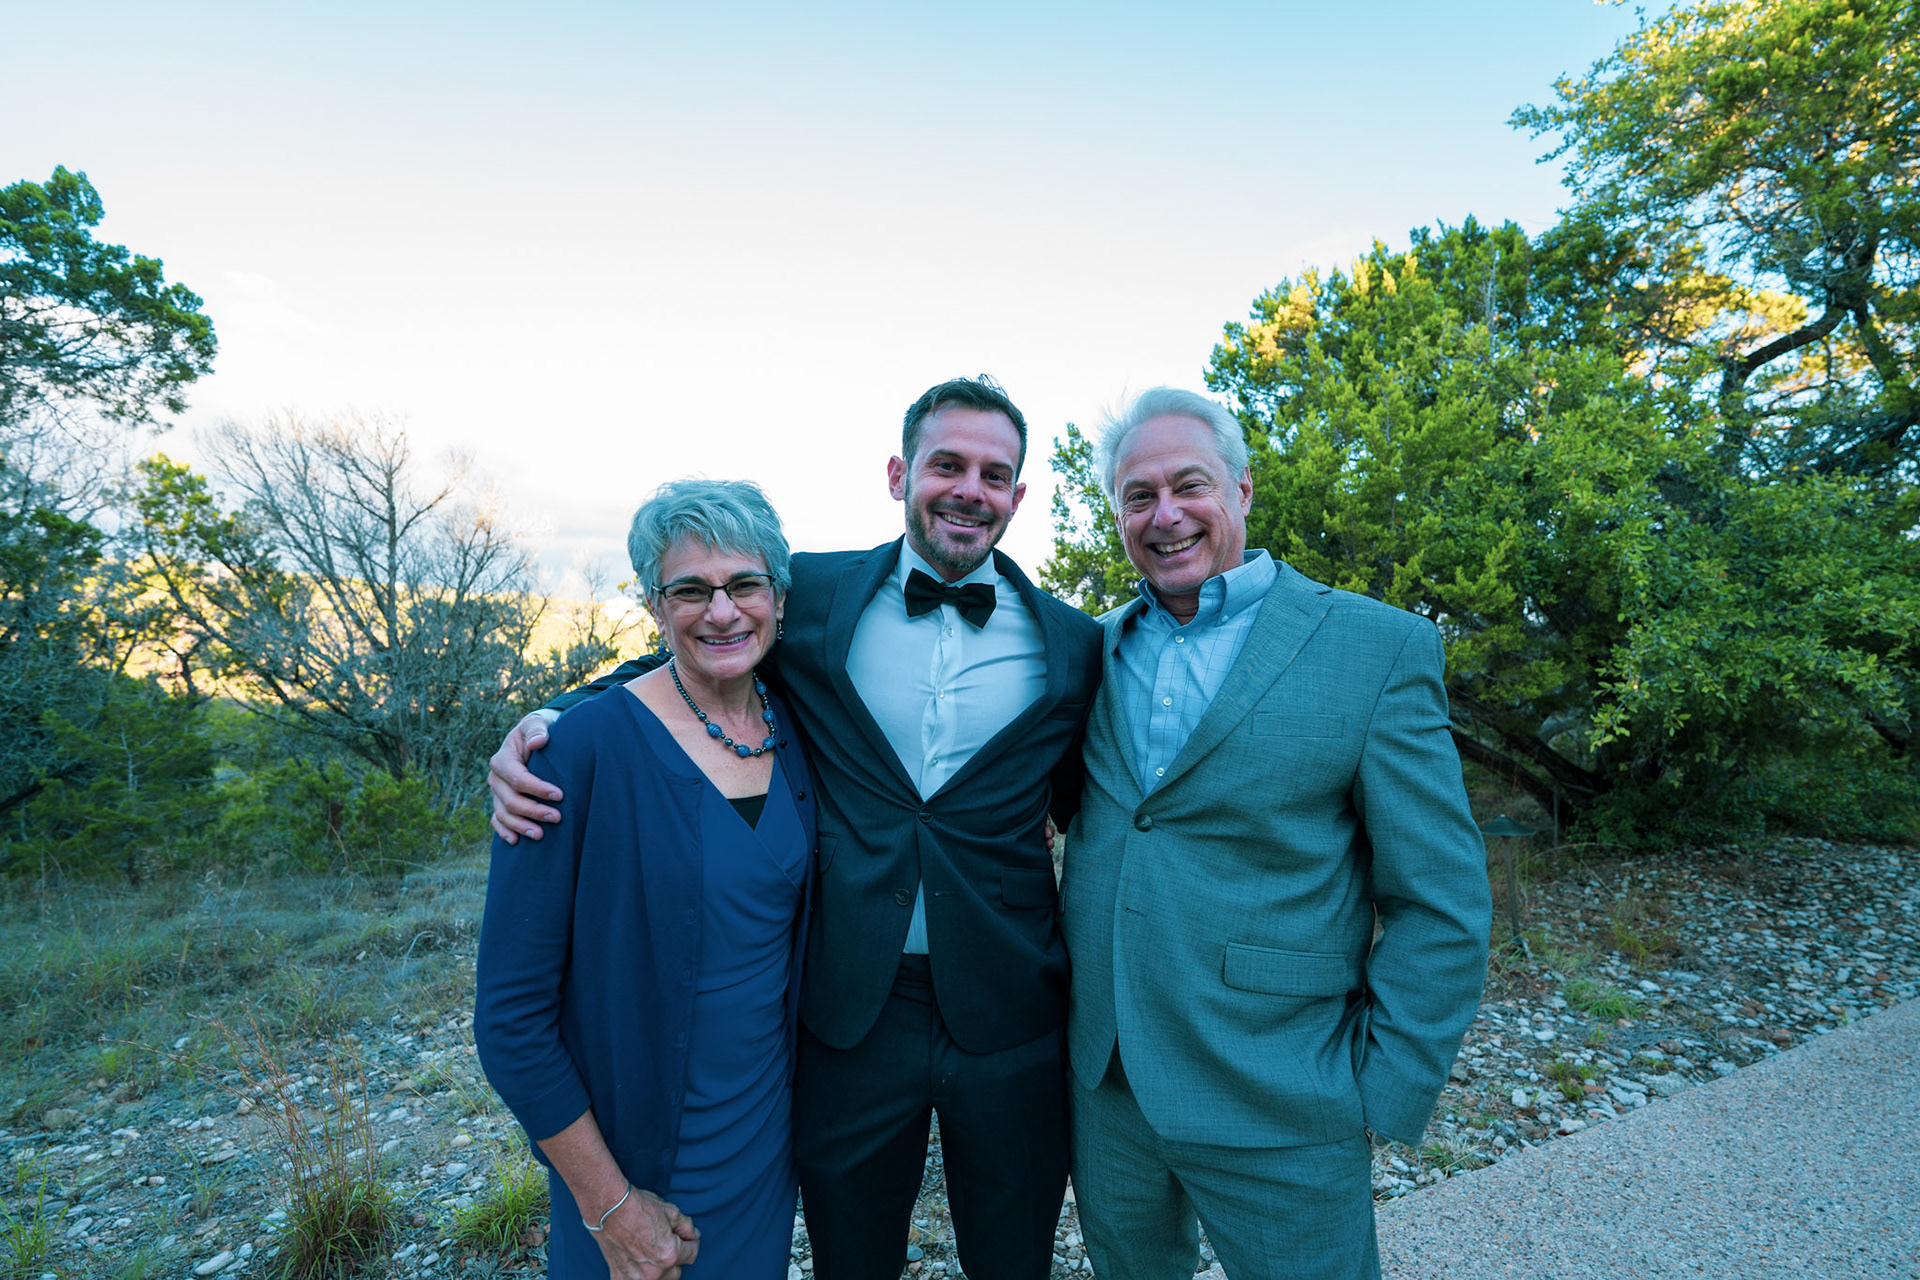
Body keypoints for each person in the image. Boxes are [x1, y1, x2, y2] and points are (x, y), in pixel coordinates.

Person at [489, 377, 1104, 1280]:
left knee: (1013, 1259)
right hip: (850, 1005)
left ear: (1018, 494)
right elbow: (695, 643)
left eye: (992, 473)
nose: (969, 489)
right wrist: (549, 719)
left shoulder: (1073, 645)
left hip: (1010, 1004)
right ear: (899, 475)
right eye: (946, 464)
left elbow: (1077, 800)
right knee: (851, 1256)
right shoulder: (809, 591)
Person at [1060, 388, 1492, 1280]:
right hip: (1108, 1086)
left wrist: (1383, 1085)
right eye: (1139, 496)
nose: (1166, 514)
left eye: (1190, 485)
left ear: (1244, 489)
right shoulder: (1085, 652)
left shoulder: (1376, 648)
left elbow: (1440, 899)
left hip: (1284, 1091)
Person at [474, 479, 817, 1280]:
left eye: (745, 584)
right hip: (634, 1160)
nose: (722, 611)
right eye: (690, 590)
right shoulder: (574, 755)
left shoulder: (794, 723)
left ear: (778, 595)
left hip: (764, 1144)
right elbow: (510, 1021)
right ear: (655, 606)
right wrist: (610, 1205)